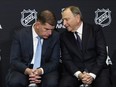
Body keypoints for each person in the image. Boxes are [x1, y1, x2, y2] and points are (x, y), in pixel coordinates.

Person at [59, 6, 111, 87]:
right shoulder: (63, 36)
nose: (64, 23)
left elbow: (102, 54)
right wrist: (79, 75)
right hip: (75, 72)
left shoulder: (95, 30)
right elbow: (66, 59)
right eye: (63, 20)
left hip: (97, 70)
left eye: (66, 19)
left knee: (104, 84)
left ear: (77, 18)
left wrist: (92, 75)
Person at [6, 10, 60, 87]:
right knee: (15, 82)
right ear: (38, 24)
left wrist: (40, 71)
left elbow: (54, 61)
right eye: (46, 29)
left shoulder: (55, 36)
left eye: (52, 29)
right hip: (24, 68)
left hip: (45, 69)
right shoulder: (19, 35)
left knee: (51, 83)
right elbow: (14, 60)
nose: (50, 33)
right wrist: (28, 71)